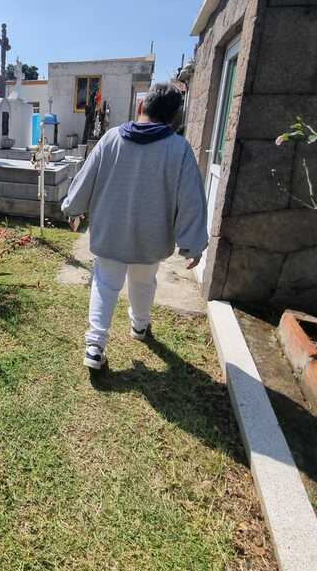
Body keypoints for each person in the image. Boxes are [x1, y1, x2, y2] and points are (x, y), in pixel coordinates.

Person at [61, 82, 208, 370]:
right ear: (173, 118)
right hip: (150, 238)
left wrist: (73, 208)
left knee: (104, 285)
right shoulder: (179, 149)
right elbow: (192, 198)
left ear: (142, 107)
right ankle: (139, 327)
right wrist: (192, 243)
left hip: (110, 233)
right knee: (143, 282)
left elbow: (86, 177)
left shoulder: (111, 138)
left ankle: (95, 345)